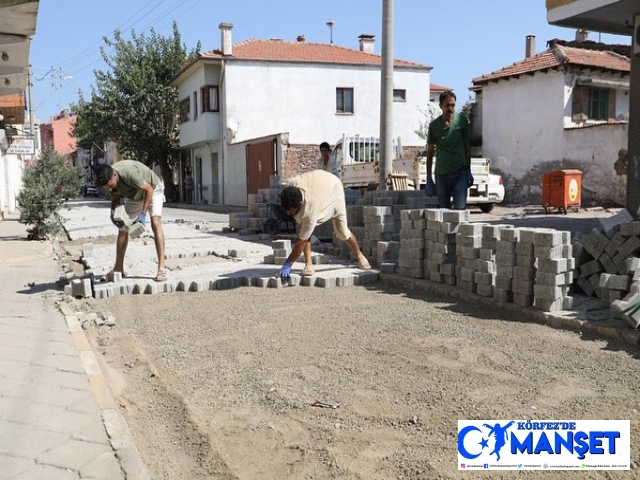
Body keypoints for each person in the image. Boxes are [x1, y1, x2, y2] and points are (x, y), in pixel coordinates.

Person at [278, 169, 371, 280]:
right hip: (319, 183)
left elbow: (302, 240)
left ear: (300, 203)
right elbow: (303, 233)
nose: (288, 213)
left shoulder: (309, 210)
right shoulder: (291, 187)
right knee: (305, 230)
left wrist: (288, 263)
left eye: (291, 210)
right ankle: (309, 264)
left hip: (333, 188)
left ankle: (360, 256)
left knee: (342, 232)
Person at [95, 161, 168, 282]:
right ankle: (118, 269)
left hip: (153, 189)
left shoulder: (129, 173)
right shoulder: (109, 182)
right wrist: (113, 214)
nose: (109, 188)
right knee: (123, 228)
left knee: (155, 223)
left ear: (114, 175)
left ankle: (161, 268)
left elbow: (148, 190)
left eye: (110, 185)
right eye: (106, 187)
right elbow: (115, 197)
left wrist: (143, 214)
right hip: (134, 196)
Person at [425, 90, 473, 210]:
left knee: (460, 209)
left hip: (460, 173)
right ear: (441, 106)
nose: (450, 108)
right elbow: (430, 153)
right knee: (444, 212)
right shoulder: (434, 126)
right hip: (442, 174)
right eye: (447, 105)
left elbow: (467, 147)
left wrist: (468, 170)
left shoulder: (462, 121)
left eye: (453, 105)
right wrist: (429, 177)